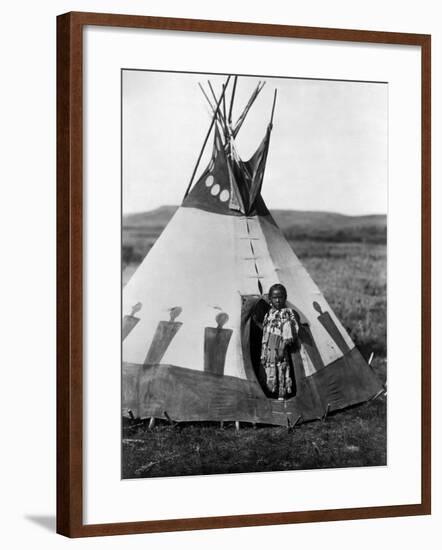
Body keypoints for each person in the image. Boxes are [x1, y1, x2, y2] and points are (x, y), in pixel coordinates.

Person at [260, 284, 298, 400]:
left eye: (280, 297)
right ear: (270, 299)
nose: (277, 300)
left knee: (281, 370)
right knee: (269, 371)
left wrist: (282, 347)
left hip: (279, 347)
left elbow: (288, 333)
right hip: (269, 348)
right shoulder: (269, 313)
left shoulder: (286, 313)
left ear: (285, 298)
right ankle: (271, 394)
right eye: (275, 297)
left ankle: (282, 396)